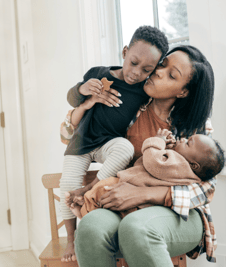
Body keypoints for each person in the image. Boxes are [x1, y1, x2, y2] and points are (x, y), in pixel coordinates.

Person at [62, 45, 218, 266]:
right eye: (162, 64)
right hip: (122, 205)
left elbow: (208, 188)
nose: (158, 71)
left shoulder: (195, 126)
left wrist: (145, 195)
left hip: (179, 214)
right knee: (90, 228)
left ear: (183, 91)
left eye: (172, 75)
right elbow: (68, 135)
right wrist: (88, 103)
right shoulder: (130, 105)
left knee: (137, 228)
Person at [59, 25, 169, 262]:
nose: (136, 72)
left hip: (109, 143)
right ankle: (70, 238)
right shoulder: (99, 73)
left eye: (146, 70)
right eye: (134, 62)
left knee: (125, 149)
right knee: (67, 184)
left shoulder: (144, 91)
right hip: (81, 141)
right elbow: (71, 97)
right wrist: (83, 89)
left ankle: (89, 190)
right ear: (125, 51)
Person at [69, 129, 225, 219]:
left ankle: (83, 210)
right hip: (142, 202)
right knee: (104, 197)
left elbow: (153, 162)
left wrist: (157, 142)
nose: (183, 138)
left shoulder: (179, 164)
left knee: (103, 188)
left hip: (132, 187)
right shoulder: (185, 171)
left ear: (193, 164)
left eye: (188, 142)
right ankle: (85, 208)